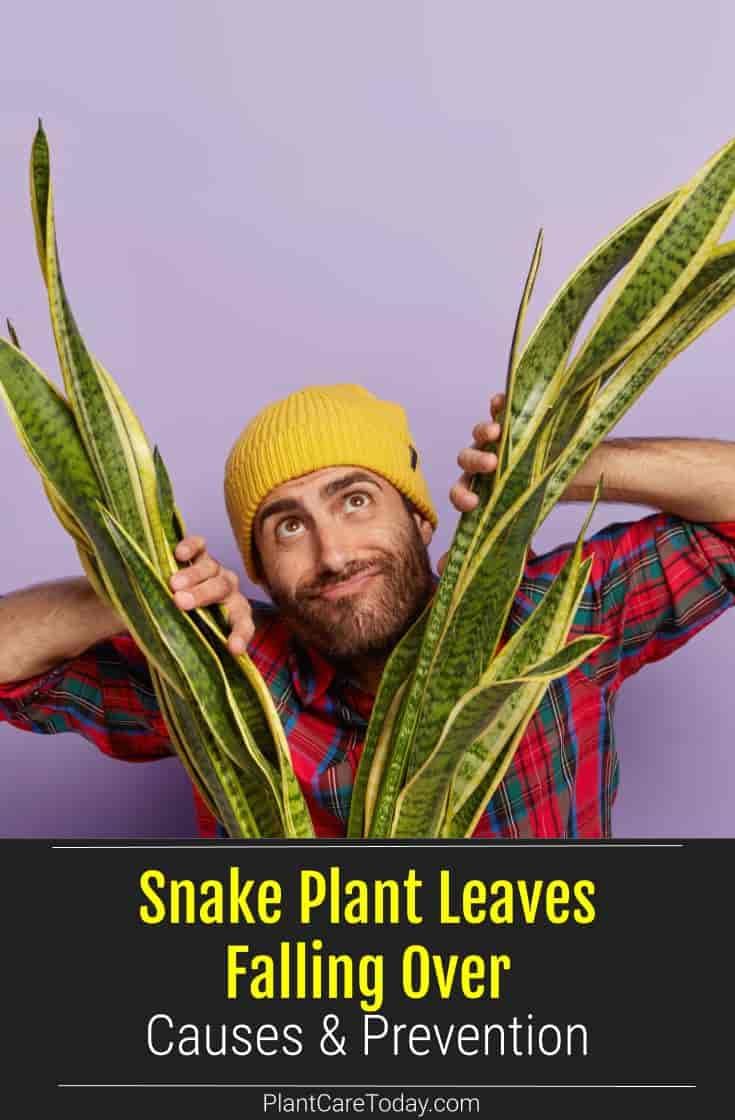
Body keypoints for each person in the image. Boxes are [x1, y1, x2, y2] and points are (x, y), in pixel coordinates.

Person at [1, 383, 734, 837]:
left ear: (419, 519)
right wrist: (138, 594)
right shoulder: (225, 679)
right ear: (260, 566)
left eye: (356, 500)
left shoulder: (549, 619)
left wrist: (581, 468)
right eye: (287, 526)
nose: (333, 553)